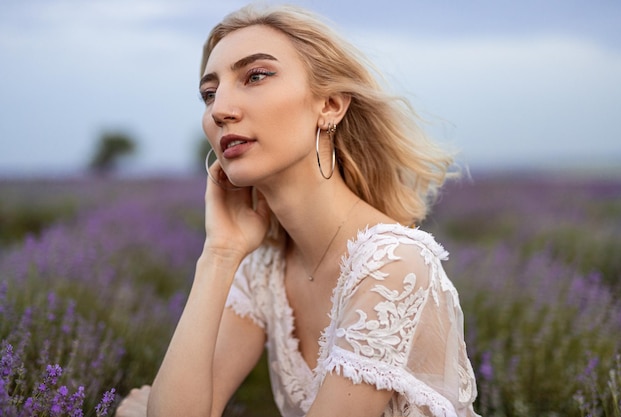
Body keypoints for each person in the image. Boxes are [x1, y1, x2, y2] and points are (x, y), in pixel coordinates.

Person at [115, 4, 479, 417]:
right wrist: (219, 253)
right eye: (209, 94)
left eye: (255, 76)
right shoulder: (265, 270)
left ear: (330, 105)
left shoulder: (393, 264)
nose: (220, 110)